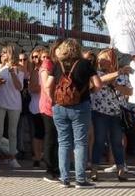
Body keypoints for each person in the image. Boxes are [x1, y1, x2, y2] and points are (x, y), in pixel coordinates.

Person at [48, 38, 101, 188]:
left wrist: (54, 99)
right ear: (78, 49)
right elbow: (98, 84)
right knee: (80, 142)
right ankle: (80, 179)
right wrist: (89, 92)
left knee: (63, 142)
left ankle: (64, 179)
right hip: (80, 106)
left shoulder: (57, 65)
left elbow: (47, 85)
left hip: (59, 107)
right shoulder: (85, 64)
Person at [91, 48, 131, 182]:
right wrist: (117, 73)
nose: (101, 61)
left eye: (105, 59)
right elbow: (101, 80)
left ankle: (121, 170)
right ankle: (94, 170)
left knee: (117, 142)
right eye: (100, 59)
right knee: (99, 141)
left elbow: (129, 92)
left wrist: (117, 86)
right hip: (99, 113)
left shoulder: (122, 76)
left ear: (112, 61)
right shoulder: (95, 73)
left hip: (116, 113)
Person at [0, 44, 25, 169]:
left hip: (14, 104)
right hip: (0, 102)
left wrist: (12, 72)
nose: (2, 54)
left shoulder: (19, 68)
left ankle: (12, 158)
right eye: (2, 52)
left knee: (12, 132)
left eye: (4, 52)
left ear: (11, 54)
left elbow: (19, 87)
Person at [39, 43, 59, 181]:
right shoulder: (48, 63)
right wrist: (54, 101)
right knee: (50, 137)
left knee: (57, 138)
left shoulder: (58, 64)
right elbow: (47, 86)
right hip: (49, 106)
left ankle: (56, 167)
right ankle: (49, 168)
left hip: (56, 105)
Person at [28, 47, 45, 169]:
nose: (35, 59)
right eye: (33, 57)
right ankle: (37, 157)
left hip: (47, 105)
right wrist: (46, 86)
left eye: (36, 56)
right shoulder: (35, 71)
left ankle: (44, 155)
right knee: (38, 133)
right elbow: (32, 88)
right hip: (37, 106)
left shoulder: (47, 69)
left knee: (46, 133)